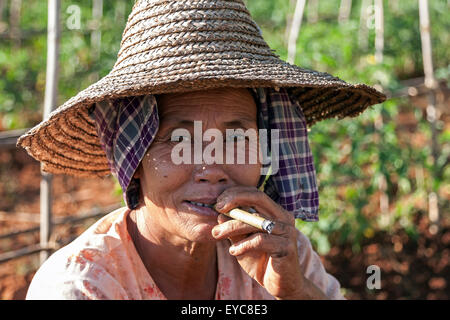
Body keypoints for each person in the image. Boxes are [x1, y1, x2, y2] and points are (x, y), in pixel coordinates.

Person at [18, 0, 385, 300]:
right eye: (180, 140)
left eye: (238, 139)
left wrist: (297, 292)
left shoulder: (281, 255)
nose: (213, 167)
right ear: (132, 158)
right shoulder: (82, 288)